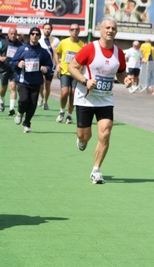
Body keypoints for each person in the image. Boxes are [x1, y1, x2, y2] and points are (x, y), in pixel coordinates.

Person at [68, 17, 133, 184]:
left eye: (113, 28)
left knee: (105, 132)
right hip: (86, 99)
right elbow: (72, 67)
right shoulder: (90, 49)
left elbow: (120, 72)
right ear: (101, 30)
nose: (110, 31)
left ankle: (96, 170)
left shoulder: (119, 53)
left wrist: (125, 80)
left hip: (105, 99)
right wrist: (85, 81)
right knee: (85, 136)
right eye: (108, 28)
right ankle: (82, 140)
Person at [9, 27, 53, 133]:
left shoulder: (43, 52)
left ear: (39, 36)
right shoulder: (22, 49)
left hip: (36, 82)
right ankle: (20, 113)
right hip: (23, 80)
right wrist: (18, 64)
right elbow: (12, 62)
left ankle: (27, 123)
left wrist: (45, 68)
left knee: (33, 105)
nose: (34, 36)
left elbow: (49, 65)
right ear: (30, 36)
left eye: (37, 34)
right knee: (24, 100)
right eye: (32, 34)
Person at [54, 23, 85, 124]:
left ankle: (69, 115)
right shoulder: (63, 42)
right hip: (65, 72)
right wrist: (57, 64)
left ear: (79, 31)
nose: (74, 31)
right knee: (64, 93)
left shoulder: (82, 45)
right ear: (69, 31)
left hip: (76, 73)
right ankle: (62, 111)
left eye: (76, 29)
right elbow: (56, 52)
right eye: (72, 29)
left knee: (73, 94)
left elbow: (85, 60)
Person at [0, 27, 23, 115]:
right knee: (3, 88)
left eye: (15, 34)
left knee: (13, 87)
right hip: (4, 68)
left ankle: (11, 108)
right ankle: (1, 101)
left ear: (17, 35)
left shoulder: (20, 44)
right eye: (11, 34)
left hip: (14, 69)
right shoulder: (2, 42)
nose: (13, 36)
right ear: (8, 34)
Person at [38, 23, 60, 110]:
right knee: (41, 83)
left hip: (51, 66)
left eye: (49, 29)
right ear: (43, 29)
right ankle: (40, 96)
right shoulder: (39, 40)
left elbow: (57, 53)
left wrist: (58, 63)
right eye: (45, 28)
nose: (47, 30)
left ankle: (45, 102)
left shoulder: (56, 40)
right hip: (41, 66)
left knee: (47, 85)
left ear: (51, 30)